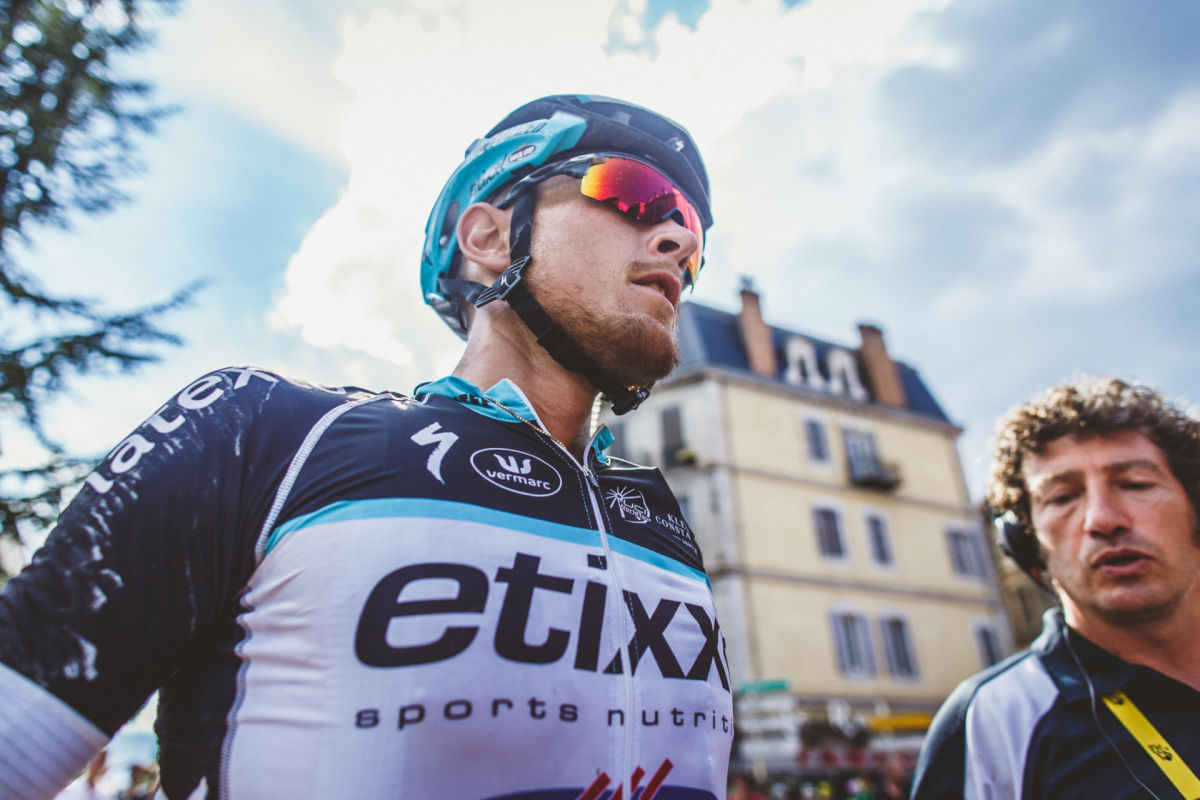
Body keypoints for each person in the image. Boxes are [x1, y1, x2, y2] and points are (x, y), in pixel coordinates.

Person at [0, 95, 733, 799]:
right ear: (488, 238)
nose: (679, 241)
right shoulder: (262, 431)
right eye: (633, 193)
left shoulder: (660, 519)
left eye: (693, 235)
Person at [910, 376, 1200, 799]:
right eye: (1063, 497)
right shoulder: (993, 719)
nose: (1103, 519)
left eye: (1135, 484)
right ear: (1028, 546)